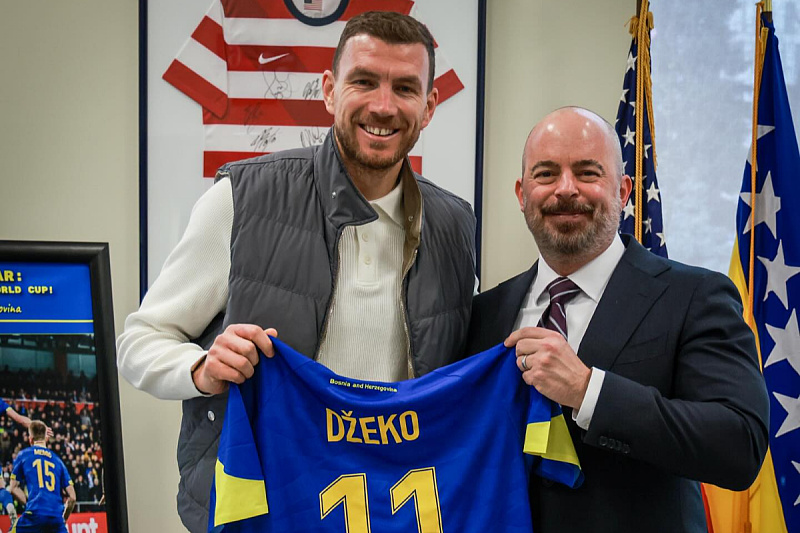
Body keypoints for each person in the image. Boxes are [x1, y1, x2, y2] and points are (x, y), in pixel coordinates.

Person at [116, 10, 476, 533]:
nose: (383, 105)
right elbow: (140, 340)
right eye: (364, 82)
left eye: (404, 88)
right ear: (330, 91)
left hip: (390, 512)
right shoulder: (241, 199)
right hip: (262, 506)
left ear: (429, 105)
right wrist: (202, 370)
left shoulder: (455, 226)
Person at [466, 107, 769, 533]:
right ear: (521, 193)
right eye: (546, 174)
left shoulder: (695, 297)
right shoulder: (484, 314)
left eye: (588, 173)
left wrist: (589, 391)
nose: (566, 190)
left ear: (624, 191)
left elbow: (739, 445)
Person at [9, 420, 76, 533]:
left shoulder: (23, 455)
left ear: (30, 440)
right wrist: (63, 520)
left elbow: (12, 488)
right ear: (47, 438)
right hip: (56, 518)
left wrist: (29, 502)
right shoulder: (58, 460)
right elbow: (73, 497)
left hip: (34, 515)